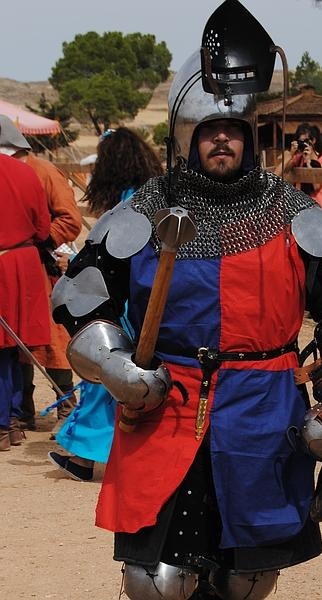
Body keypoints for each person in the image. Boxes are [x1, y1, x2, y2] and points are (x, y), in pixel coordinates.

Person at [51, 4, 322, 599]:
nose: (222, 139)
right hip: (166, 404)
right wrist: (118, 367)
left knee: (247, 579)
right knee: (158, 580)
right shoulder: (147, 210)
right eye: (210, 131)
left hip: (263, 409)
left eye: (232, 130)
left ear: (250, 135)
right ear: (188, 136)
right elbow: (81, 296)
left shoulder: (292, 215)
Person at [48, 127, 164, 482]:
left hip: (128, 301)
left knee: (108, 377)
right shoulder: (151, 195)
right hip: (145, 297)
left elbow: (114, 255)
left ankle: (84, 455)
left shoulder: (129, 203)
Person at [0, 114, 82, 432]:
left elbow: (70, 219)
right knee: (17, 344)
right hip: (21, 264)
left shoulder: (43, 171)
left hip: (42, 265)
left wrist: (38, 241)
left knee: (52, 340)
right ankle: (23, 412)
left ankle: (66, 407)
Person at [0, 153, 51, 451]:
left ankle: (4, 424)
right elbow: (42, 228)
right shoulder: (25, 171)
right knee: (16, 348)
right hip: (24, 262)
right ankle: (15, 421)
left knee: (3, 350)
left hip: (5, 263)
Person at [282, 123, 322, 217]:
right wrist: (291, 154)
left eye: (304, 141)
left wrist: (309, 161)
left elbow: (316, 186)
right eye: (300, 142)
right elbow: (284, 172)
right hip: (303, 210)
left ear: (313, 141)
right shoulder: (298, 159)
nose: (302, 145)